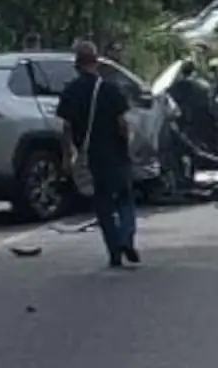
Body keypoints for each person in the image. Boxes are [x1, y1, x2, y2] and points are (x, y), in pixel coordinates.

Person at [56, 41, 138, 268]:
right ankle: (126, 237)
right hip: (116, 153)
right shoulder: (110, 89)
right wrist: (127, 146)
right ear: (96, 62)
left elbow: (66, 128)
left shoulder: (70, 91)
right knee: (125, 197)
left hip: (90, 155)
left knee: (103, 204)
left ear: (76, 65)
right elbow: (122, 124)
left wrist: (67, 156)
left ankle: (114, 251)